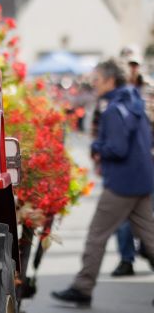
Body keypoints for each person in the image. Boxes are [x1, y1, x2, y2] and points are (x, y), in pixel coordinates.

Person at [52, 59, 154, 307]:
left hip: (121, 184)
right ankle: (82, 287)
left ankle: (82, 287)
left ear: (110, 80)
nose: (93, 84)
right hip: (141, 179)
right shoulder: (135, 101)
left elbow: (117, 149)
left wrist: (97, 147)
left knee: (96, 236)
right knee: (150, 238)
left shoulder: (113, 109)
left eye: (97, 80)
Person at [111, 46, 154, 276]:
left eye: (134, 64)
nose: (131, 69)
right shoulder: (112, 92)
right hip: (122, 163)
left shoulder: (149, 90)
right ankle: (126, 259)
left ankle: (147, 248)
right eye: (127, 65)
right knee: (122, 216)